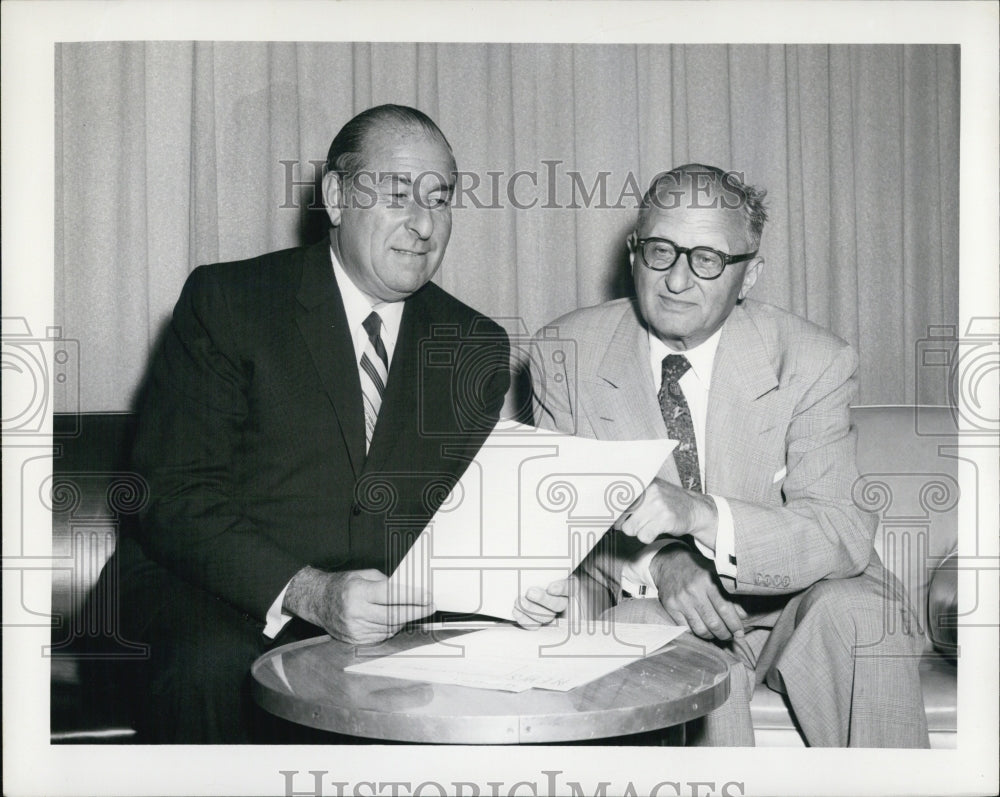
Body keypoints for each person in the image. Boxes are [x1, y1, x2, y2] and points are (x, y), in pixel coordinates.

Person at [104, 105, 513, 743]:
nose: (424, 223)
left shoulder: (473, 345)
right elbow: (174, 499)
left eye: (441, 198)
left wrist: (518, 581)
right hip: (214, 590)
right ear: (336, 197)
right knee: (212, 670)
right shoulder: (228, 302)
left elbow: (457, 521)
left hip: (382, 611)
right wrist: (308, 592)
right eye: (399, 194)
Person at [528, 163, 929, 747]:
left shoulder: (814, 360)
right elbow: (556, 520)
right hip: (660, 608)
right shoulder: (566, 352)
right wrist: (663, 562)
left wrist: (702, 516)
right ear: (635, 255)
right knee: (636, 630)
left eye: (708, 259)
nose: (678, 280)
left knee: (861, 616)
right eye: (661, 250)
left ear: (749, 276)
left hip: (798, 604)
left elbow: (840, 529)